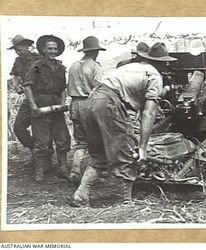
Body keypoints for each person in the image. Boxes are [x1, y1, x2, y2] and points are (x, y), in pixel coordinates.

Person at [70, 42, 177, 207]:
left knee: (99, 154)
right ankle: (124, 200)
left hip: (90, 101)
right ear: (163, 63)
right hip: (109, 102)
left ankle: (81, 195)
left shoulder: (131, 67)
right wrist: (143, 146)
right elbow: (148, 113)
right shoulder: (154, 75)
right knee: (126, 150)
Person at [23, 35, 71, 182]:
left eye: (55, 49)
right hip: (41, 105)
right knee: (41, 140)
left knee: (62, 138)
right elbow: (27, 86)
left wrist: (62, 104)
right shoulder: (37, 67)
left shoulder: (61, 68)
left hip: (56, 107)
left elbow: (63, 88)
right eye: (50, 48)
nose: (52, 51)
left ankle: (63, 167)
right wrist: (33, 107)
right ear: (44, 50)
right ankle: (40, 169)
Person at [67, 36, 105, 186]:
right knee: (96, 142)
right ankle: (94, 175)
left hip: (74, 104)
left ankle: (75, 171)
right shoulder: (95, 67)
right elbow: (98, 89)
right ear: (95, 51)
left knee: (80, 141)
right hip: (89, 105)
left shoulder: (74, 66)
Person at [8, 35, 42, 167]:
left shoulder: (38, 58)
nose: (19, 52)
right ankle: (34, 151)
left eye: (21, 50)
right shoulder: (17, 61)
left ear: (27, 47)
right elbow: (15, 75)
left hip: (41, 96)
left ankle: (43, 159)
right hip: (28, 98)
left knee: (39, 128)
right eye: (17, 50)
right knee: (19, 127)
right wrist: (17, 86)